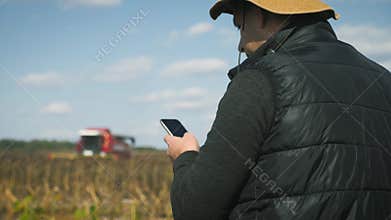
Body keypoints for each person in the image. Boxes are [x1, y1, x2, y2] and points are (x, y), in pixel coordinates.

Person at [163, 0, 391, 219]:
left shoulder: (260, 79)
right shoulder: (384, 79)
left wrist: (185, 156)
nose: (240, 45)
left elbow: (195, 210)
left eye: (239, 26)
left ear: (259, 13)